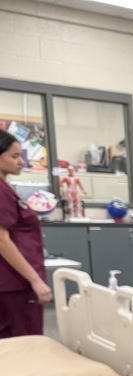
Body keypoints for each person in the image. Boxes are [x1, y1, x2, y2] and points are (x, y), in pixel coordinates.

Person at [0, 129, 51, 338]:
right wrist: (35, 280)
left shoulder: (6, 188)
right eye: (14, 156)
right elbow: (2, 240)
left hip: (11, 282)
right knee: (24, 342)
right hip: (15, 283)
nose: (21, 161)